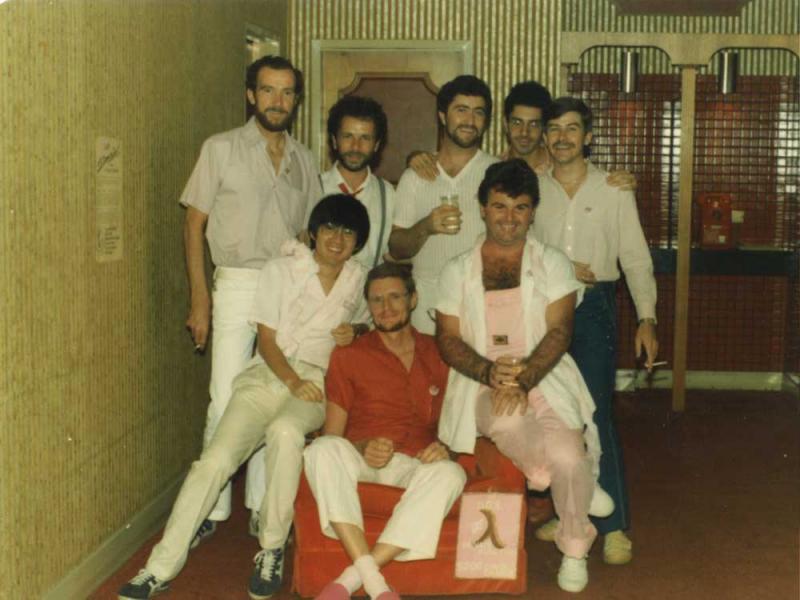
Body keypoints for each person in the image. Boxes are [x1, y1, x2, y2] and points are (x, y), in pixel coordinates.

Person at [119, 195, 371, 600]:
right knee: (214, 461)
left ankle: (271, 548)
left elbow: (368, 325)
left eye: (347, 232)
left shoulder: (359, 278)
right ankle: (159, 566)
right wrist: (289, 380)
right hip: (270, 374)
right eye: (329, 229)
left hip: (317, 381)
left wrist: (355, 332)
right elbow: (267, 340)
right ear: (312, 233)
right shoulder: (280, 269)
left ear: (357, 242)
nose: (337, 239)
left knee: (287, 432)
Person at [435, 159, 613, 593]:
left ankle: (574, 548)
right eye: (499, 207)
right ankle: (571, 478)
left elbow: (560, 331)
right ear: (482, 207)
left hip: (543, 373)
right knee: (511, 422)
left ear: (533, 211)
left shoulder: (552, 262)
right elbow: (448, 338)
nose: (509, 218)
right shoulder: (456, 269)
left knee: (568, 456)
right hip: (482, 378)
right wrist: (489, 371)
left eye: (520, 208)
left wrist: (525, 377)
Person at [180, 54, 322, 540]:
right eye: (267, 90)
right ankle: (211, 511)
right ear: (250, 95)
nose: (276, 101)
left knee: (272, 397)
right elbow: (193, 225)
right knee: (225, 395)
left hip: (285, 286)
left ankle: (261, 505)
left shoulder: (304, 160)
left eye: (286, 93)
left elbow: (310, 235)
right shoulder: (219, 149)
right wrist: (201, 299)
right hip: (237, 282)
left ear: (296, 101)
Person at [532, 97, 659, 566]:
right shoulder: (534, 188)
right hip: (542, 309)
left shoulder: (613, 189)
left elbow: (636, 259)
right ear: (545, 137)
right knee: (552, 416)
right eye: (554, 129)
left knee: (597, 416)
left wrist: (647, 318)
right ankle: (571, 516)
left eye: (572, 129)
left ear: (587, 136)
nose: (562, 137)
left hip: (594, 309)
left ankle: (615, 525)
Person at [304, 262, 466, 600]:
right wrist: (362, 447)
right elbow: (332, 436)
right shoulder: (349, 355)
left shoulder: (440, 353)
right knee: (320, 450)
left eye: (395, 297)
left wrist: (445, 450)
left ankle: (350, 580)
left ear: (414, 299)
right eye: (376, 300)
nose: (386, 307)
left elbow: (457, 423)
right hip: (364, 460)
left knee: (451, 474)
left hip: (415, 463)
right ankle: (377, 587)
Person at [389, 75, 499, 333]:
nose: (470, 121)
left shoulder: (497, 173)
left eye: (478, 113)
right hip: (426, 304)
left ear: (486, 121)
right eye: (461, 110)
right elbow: (396, 248)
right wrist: (426, 226)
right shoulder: (415, 176)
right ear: (442, 116)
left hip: (481, 302)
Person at [319, 95, 395, 270]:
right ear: (334, 141)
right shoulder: (314, 187)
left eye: (365, 138)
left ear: (376, 145)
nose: (355, 147)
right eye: (347, 136)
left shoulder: (388, 195)